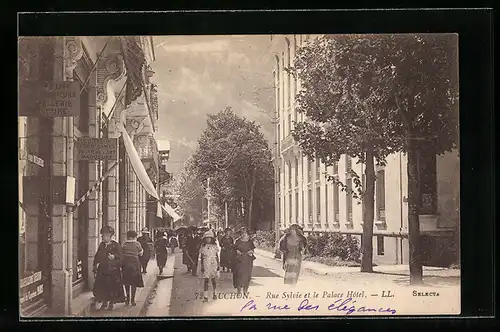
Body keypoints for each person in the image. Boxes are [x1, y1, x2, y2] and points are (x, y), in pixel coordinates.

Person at [92, 226, 125, 311]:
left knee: (112, 287)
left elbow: (121, 257)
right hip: (103, 270)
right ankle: (104, 303)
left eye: (103, 235)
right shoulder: (102, 245)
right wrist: (95, 265)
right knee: (102, 287)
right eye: (102, 235)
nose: (102, 237)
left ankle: (111, 303)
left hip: (112, 271)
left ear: (109, 235)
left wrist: (114, 257)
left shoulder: (116, 245)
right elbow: (97, 256)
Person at [121, 230, 145, 306]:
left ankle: (127, 299)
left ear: (127, 236)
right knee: (134, 282)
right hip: (135, 264)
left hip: (126, 264)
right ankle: (133, 300)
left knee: (126, 282)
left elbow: (121, 254)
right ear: (134, 237)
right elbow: (141, 253)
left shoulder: (124, 244)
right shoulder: (137, 244)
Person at [232, 227, 255, 295]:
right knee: (238, 275)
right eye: (242, 233)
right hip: (239, 260)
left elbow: (252, 250)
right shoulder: (237, 241)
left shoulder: (250, 241)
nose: (243, 234)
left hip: (247, 260)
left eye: (244, 232)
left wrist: (251, 251)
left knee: (247, 275)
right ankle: (239, 291)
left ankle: (245, 290)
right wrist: (237, 251)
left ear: (247, 233)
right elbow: (234, 249)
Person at [199, 230, 220, 302]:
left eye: (209, 238)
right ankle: (205, 296)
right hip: (206, 263)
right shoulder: (203, 246)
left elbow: (217, 256)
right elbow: (201, 257)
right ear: (205, 239)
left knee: (213, 279)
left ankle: (215, 293)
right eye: (207, 238)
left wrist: (218, 266)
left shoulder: (214, 246)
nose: (208, 239)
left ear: (212, 239)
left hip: (213, 263)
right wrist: (202, 266)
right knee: (206, 280)